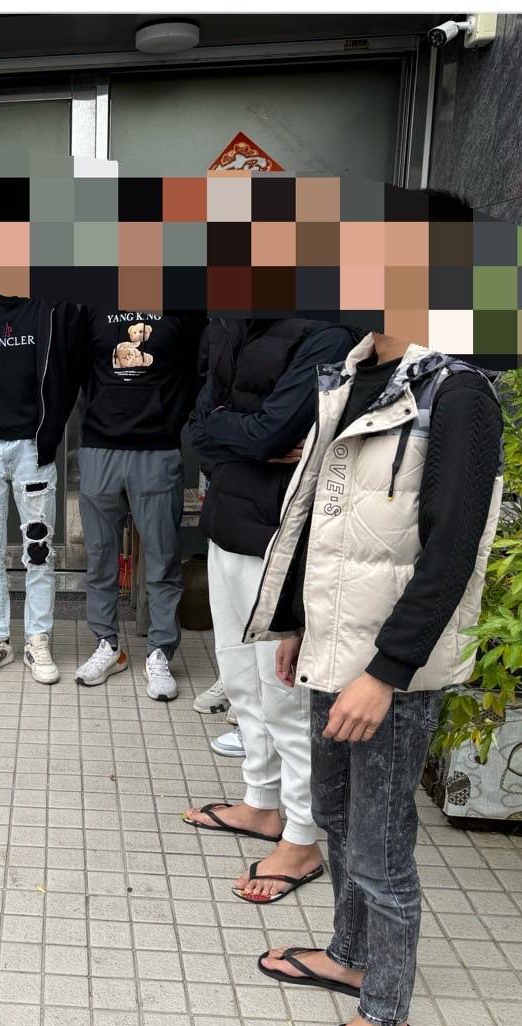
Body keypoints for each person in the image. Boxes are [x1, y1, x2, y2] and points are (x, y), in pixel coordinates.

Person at [247, 332, 504, 1026]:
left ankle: (385, 1010)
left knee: (380, 846)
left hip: (391, 671)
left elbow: (454, 549)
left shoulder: (457, 391)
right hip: (333, 646)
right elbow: (321, 521)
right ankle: (349, 956)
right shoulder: (354, 372)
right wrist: (297, 623)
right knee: (333, 813)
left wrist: (387, 671)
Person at [182, 318, 356, 908]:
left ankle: (302, 837)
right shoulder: (230, 324)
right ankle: (261, 802)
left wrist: (241, 432)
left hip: (282, 535)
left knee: (284, 694)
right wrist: (247, 435)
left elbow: (269, 431)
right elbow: (199, 427)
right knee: (239, 679)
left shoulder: (326, 332)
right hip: (228, 521)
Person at [0, 293, 86, 684]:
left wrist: (52, 427)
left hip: (33, 446)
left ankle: (37, 639)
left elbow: (74, 370)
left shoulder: (55, 308)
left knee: (39, 550)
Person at [73, 310, 205, 700]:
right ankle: (107, 645)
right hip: (100, 446)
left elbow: (195, 372)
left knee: (162, 557)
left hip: (157, 448)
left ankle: (160, 651)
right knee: (100, 555)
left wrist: (170, 421)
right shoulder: (91, 302)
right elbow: (79, 367)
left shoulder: (184, 305)